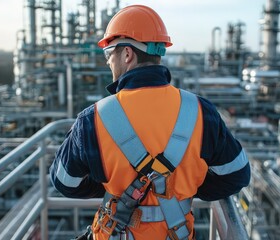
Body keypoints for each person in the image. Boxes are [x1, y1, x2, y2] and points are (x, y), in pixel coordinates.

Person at [50, 4, 250, 240]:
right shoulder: (199, 111)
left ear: (127, 54)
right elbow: (237, 174)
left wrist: (112, 185)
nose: (108, 62)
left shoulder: (92, 118)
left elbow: (64, 181)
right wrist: (185, 188)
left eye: (109, 53)